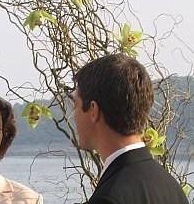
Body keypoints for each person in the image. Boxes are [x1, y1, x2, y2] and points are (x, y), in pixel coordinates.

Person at [69, 53, 188, 204]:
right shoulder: (171, 187)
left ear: (93, 110)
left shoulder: (109, 197)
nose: (74, 116)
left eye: (75, 105)